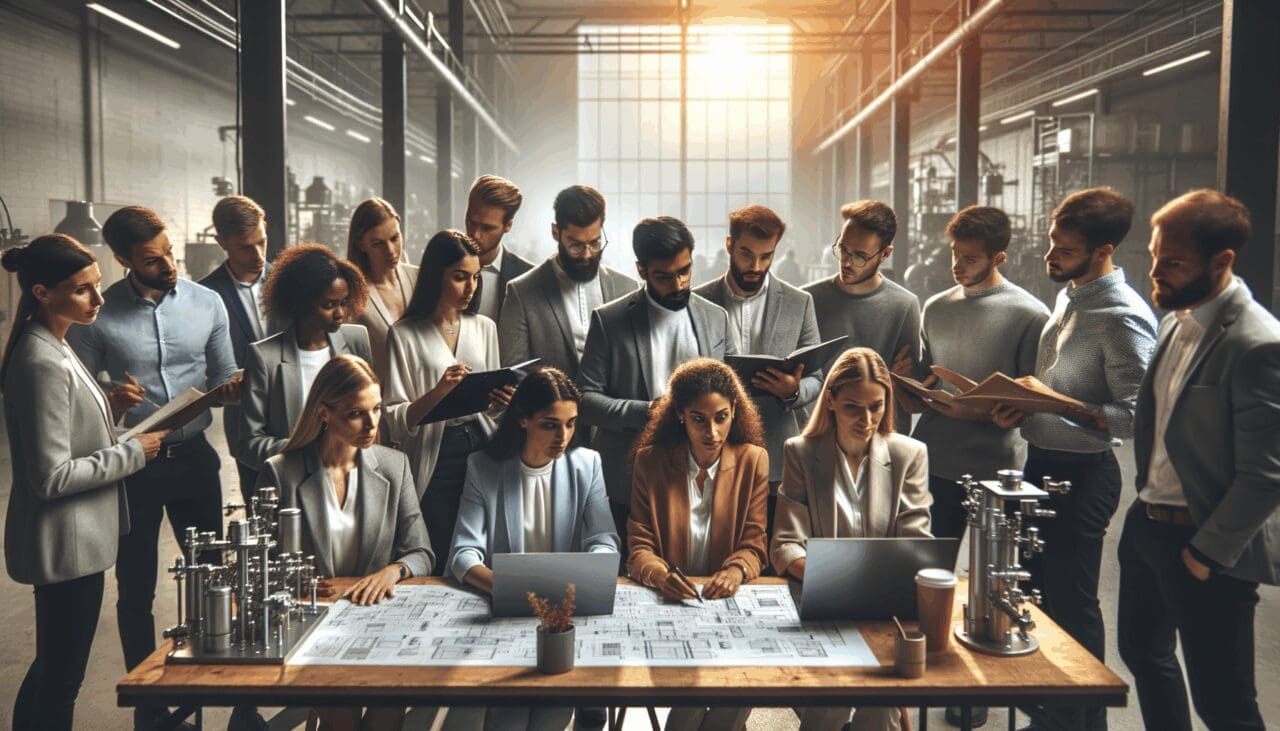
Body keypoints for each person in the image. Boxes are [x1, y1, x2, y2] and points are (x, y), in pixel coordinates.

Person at [66, 206, 241, 730]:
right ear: (122, 259)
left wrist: (231, 387)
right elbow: (80, 394)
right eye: (152, 259)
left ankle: (203, 692)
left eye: (169, 252)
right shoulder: (99, 314)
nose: (168, 264)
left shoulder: (207, 303)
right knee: (135, 588)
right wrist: (111, 397)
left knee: (211, 582)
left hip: (194, 460)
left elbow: (227, 372)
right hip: (134, 464)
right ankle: (149, 708)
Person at [991, 187, 1156, 731]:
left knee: (1074, 604)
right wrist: (1026, 409)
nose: (1050, 257)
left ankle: (1085, 724)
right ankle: (1051, 715)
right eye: (1051, 243)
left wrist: (1055, 405)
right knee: (1037, 600)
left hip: (1084, 476)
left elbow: (1137, 416)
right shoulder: (1071, 296)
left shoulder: (1122, 317)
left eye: (1064, 250)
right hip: (1040, 464)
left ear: (1103, 250)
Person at [1118, 190, 1279, 731]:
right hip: (1148, 526)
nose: (1156, 272)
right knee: (1143, 654)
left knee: (1224, 705)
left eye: (1174, 263)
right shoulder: (1173, 321)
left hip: (1202, 544)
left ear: (1222, 261)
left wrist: (1207, 554)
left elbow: (1266, 475)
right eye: (1155, 256)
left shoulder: (1257, 344)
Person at [3, 236, 165, 731]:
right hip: (65, 544)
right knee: (62, 676)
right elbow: (51, 476)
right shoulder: (40, 360)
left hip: (76, 543)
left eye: (96, 287)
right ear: (41, 292)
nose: (98, 300)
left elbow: (67, 436)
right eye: (82, 291)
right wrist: (132, 452)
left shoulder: (55, 343)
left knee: (52, 667)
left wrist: (108, 413)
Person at [256, 354, 432, 731]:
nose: (372, 424)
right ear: (324, 413)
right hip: (309, 625)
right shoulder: (281, 472)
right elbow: (261, 567)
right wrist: (296, 585)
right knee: (342, 710)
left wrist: (393, 571)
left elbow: (421, 551)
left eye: (377, 409)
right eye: (356, 414)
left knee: (389, 708)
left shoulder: (393, 465)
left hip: (377, 619)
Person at [448, 367, 619, 731]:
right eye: (550, 424)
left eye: (571, 423)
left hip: (565, 615)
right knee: (508, 719)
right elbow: (463, 554)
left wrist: (585, 578)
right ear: (523, 419)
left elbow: (603, 540)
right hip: (506, 611)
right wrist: (509, 588)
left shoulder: (587, 464)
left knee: (551, 717)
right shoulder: (484, 467)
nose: (564, 436)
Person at [772, 348, 931, 731]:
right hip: (822, 602)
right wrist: (831, 581)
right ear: (830, 402)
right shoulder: (801, 452)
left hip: (885, 610)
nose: (867, 419)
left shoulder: (909, 454)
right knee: (829, 707)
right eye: (852, 408)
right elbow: (785, 544)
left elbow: (915, 543)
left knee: (879, 708)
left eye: (876, 407)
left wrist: (868, 586)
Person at [579, 216, 736, 551]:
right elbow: (585, 400)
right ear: (641, 269)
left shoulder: (716, 317)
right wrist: (647, 411)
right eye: (664, 276)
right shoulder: (608, 321)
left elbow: (732, 391)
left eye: (685, 271)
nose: (678, 284)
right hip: (627, 475)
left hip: (702, 476)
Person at [627, 358, 768, 731]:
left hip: (728, 603)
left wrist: (736, 570)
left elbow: (755, 544)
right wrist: (659, 576)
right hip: (672, 604)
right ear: (679, 416)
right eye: (699, 419)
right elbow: (639, 547)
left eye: (721, 417)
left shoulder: (754, 461)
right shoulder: (651, 462)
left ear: (734, 411)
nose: (712, 431)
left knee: (740, 691)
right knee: (695, 702)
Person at [896, 206, 1050, 539]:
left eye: (970, 259)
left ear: (998, 258)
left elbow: (1035, 401)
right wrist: (903, 382)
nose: (957, 266)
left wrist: (977, 412)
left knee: (993, 578)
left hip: (996, 468)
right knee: (927, 570)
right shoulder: (935, 307)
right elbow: (926, 383)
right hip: (933, 460)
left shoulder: (1030, 315)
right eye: (954, 254)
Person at [382, 230, 514, 575]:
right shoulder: (405, 334)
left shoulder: (484, 327)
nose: (470, 288)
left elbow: (494, 413)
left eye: (475, 277)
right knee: (441, 548)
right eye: (459, 277)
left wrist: (501, 402)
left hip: (483, 447)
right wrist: (440, 391)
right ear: (435, 276)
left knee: (484, 544)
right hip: (435, 456)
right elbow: (394, 419)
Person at [694, 204, 822, 539]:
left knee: (769, 550)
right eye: (746, 254)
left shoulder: (800, 302)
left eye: (766, 256)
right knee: (713, 547)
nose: (755, 266)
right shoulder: (697, 301)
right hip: (709, 450)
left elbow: (818, 379)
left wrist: (793, 390)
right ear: (729, 245)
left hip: (776, 449)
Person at [239, 244, 372, 479]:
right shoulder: (264, 357)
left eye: (344, 302)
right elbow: (250, 444)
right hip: (295, 481)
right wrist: (307, 452)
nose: (340, 313)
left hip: (353, 475)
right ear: (300, 303)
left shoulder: (357, 340)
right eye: (329, 305)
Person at [803, 201, 921, 434]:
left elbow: (906, 392)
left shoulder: (904, 305)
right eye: (843, 249)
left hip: (878, 438)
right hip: (818, 438)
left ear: (885, 254)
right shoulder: (807, 299)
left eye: (859, 256)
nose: (846, 262)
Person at [499, 185, 635, 381]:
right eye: (576, 245)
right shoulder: (521, 293)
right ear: (556, 232)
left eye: (595, 243)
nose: (587, 254)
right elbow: (515, 375)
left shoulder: (628, 288)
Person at [199, 195, 275, 498]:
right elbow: (203, 369)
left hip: (301, 415)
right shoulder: (204, 296)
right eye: (246, 246)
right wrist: (220, 392)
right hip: (246, 425)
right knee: (261, 518)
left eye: (262, 242)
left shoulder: (290, 280)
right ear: (222, 242)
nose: (257, 254)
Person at [347, 197, 418, 383]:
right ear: (361, 244)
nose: (391, 251)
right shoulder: (352, 293)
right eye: (378, 244)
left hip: (428, 397)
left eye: (395, 238)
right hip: (380, 403)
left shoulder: (420, 279)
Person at [464, 174, 532, 323]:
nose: (475, 234)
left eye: (487, 228)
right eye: (471, 222)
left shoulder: (530, 278)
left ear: (508, 225)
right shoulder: (440, 266)